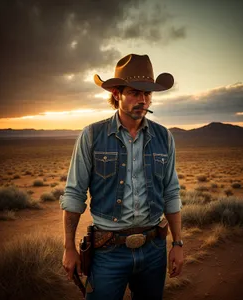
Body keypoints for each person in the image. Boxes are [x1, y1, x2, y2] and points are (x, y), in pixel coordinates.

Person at [60, 53, 183, 300]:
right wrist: (69, 247)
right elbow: (74, 194)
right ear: (116, 93)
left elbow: (171, 192)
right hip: (108, 252)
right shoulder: (93, 135)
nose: (143, 100)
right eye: (135, 92)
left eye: (148, 94)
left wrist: (177, 244)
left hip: (153, 249)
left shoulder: (163, 137)